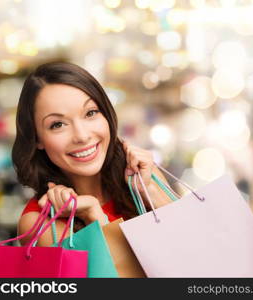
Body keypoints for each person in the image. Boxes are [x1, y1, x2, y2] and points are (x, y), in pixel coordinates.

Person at [12, 62, 173, 247]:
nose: (82, 136)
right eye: (58, 124)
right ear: (37, 138)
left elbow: (194, 246)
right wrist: (94, 217)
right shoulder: (39, 223)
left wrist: (149, 191)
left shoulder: (146, 178)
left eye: (90, 113)